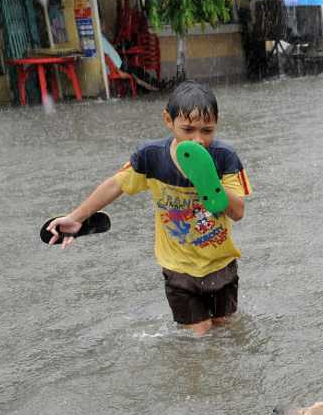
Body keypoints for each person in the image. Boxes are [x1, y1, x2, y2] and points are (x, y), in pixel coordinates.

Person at [47, 81, 252, 335]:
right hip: (177, 266)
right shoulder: (151, 157)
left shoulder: (224, 157)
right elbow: (115, 185)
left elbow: (238, 212)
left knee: (226, 331)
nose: (198, 140)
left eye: (207, 131)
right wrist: (77, 218)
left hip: (221, 263)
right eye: (188, 129)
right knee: (199, 336)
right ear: (168, 120)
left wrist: (210, 181)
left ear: (217, 123)